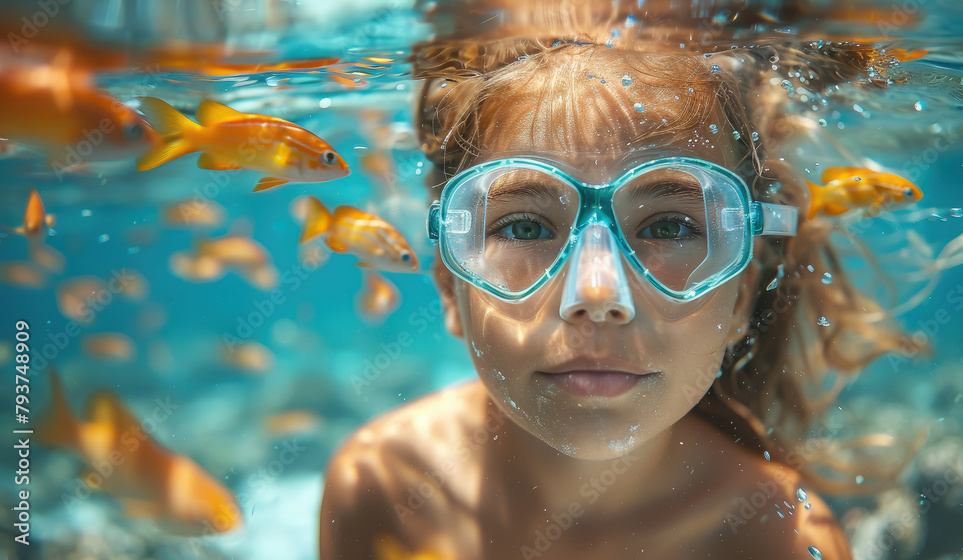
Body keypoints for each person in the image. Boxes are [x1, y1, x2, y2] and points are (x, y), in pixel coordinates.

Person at [320, 2, 915, 558]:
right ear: (451, 285)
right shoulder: (382, 486)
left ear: (742, 291)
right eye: (525, 227)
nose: (598, 294)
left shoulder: (781, 538)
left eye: (671, 226)